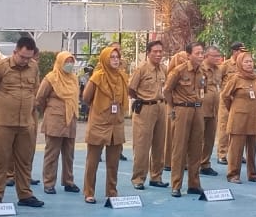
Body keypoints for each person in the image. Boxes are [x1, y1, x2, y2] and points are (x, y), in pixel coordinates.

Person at [0, 35, 41, 206]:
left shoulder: (34, 67)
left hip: (26, 123)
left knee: (25, 160)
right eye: (22, 57)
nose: (25, 61)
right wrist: (4, 105)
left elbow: (35, 89)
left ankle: (25, 194)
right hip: (3, 122)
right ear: (15, 52)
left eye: (29, 57)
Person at [81, 44, 128, 203]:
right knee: (93, 161)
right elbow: (86, 98)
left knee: (113, 162)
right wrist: (100, 109)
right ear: (104, 59)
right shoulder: (97, 76)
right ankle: (89, 192)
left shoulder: (122, 76)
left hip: (116, 124)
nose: (115, 60)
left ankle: (111, 192)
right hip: (99, 123)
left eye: (117, 57)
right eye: (112, 57)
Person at [35, 50, 82, 194]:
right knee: (52, 153)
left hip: (70, 120)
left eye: (71, 62)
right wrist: (49, 110)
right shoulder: (51, 78)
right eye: (66, 61)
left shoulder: (74, 78)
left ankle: (68, 181)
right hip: (55, 120)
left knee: (69, 154)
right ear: (60, 62)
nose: (69, 65)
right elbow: (40, 98)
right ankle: (49, 183)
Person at [164, 43, 207, 197]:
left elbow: (204, 90)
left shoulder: (203, 72)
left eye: (202, 53)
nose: (201, 56)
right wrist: (173, 107)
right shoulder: (179, 71)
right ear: (189, 55)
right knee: (179, 148)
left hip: (197, 109)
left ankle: (194, 184)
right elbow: (167, 90)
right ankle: (176, 185)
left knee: (196, 147)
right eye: (198, 53)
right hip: (182, 109)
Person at [128, 40, 168, 189]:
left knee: (159, 144)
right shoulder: (141, 69)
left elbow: (166, 87)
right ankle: (138, 178)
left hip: (160, 107)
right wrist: (140, 99)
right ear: (148, 53)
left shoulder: (163, 69)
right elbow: (131, 88)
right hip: (145, 108)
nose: (158, 54)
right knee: (142, 145)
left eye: (160, 51)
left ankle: (156, 176)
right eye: (155, 52)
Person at [219, 50, 256, 184]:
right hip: (238, 117)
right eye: (246, 62)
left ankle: (252, 173)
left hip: (253, 116)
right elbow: (225, 96)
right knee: (236, 148)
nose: (249, 64)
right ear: (240, 63)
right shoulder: (235, 78)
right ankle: (233, 174)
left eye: (251, 61)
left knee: (252, 148)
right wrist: (233, 108)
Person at [198, 45, 224, 177]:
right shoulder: (199, 69)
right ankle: (191, 162)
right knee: (197, 138)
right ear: (206, 56)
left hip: (213, 110)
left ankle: (205, 163)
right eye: (214, 56)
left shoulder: (218, 70)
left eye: (218, 56)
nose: (217, 58)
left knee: (209, 138)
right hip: (200, 109)